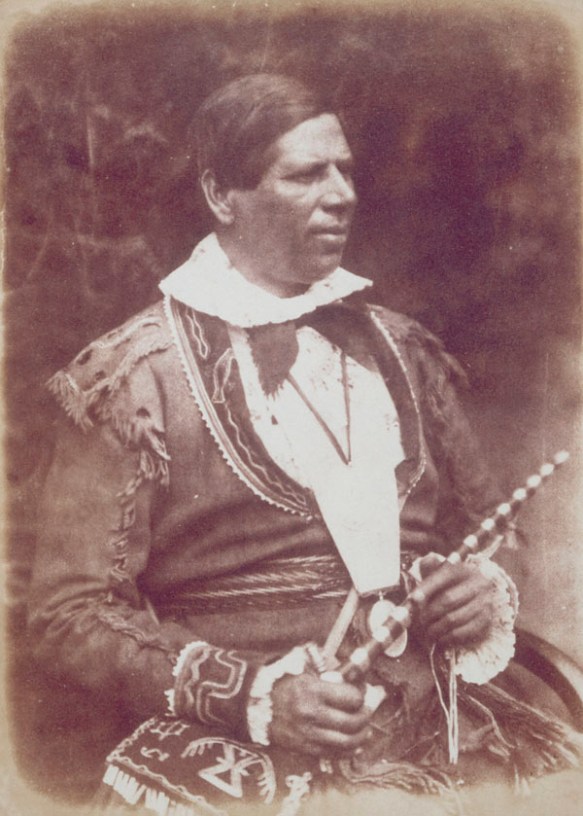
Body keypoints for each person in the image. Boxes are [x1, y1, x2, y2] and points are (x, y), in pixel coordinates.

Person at [28, 73, 580, 815]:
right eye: (305, 174)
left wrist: (478, 591)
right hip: (249, 748)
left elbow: (487, 528)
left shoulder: (402, 349)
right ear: (223, 196)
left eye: (344, 170)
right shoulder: (133, 378)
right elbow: (70, 613)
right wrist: (255, 697)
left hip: (440, 726)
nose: (341, 194)